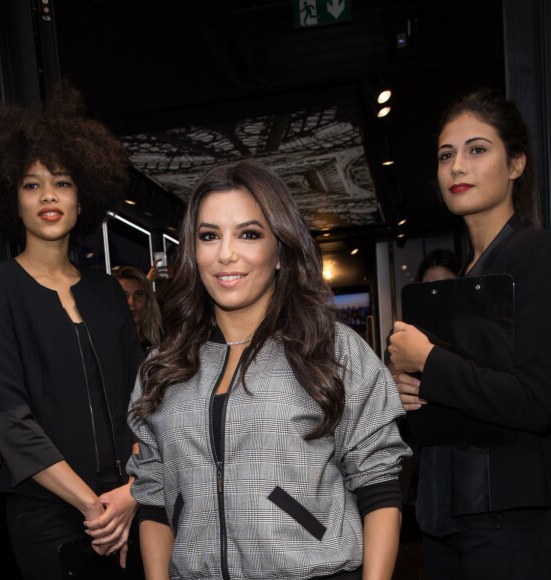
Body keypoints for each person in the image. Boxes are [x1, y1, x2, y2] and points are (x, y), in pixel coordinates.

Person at [126, 159, 411, 580]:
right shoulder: (163, 367)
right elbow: (153, 498)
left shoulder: (331, 350)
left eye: (249, 233)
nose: (225, 254)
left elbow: (379, 484)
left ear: (280, 249)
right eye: (209, 236)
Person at [0, 83, 144, 579]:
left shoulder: (108, 293)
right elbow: (11, 423)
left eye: (62, 182)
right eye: (31, 184)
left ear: (82, 196)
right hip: (49, 515)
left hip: (127, 505)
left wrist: (130, 493)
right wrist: (94, 506)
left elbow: (141, 405)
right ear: (13, 199)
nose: (48, 195)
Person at [388, 88, 551, 580]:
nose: (458, 166)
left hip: (506, 520)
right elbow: (461, 404)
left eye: (477, 150)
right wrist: (410, 394)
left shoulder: (532, 252)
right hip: (445, 518)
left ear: (516, 164)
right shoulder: (468, 276)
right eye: (446, 155)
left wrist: (430, 361)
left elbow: (535, 400)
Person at [115, 265, 163, 353]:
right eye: (124, 295)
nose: (131, 302)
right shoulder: (108, 346)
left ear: (148, 301)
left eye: (138, 294)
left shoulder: (160, 343)